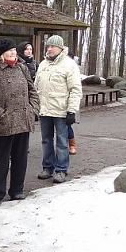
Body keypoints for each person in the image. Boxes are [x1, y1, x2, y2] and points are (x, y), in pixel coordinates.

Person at [0, 38, 39, 208]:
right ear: (0, 55)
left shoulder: (22, 68)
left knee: (20, 157)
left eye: (14, 50)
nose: (13, 53)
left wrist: (33, 109)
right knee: (1, 160)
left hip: (23, 119)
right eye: (9, 51)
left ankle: (17, 190)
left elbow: (32, 91)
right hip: (4, 121)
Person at [34, 35, 82, 183]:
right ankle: (48, 167)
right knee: (46, 140)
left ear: (61, 48)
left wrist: (72, 110)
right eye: (48, 46)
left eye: (53, 46)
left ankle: (61, 169)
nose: (49, 49)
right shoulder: (43, 64)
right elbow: (36, 87)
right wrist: (35, 106)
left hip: (62, 110)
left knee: (62, 141)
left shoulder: (69, 65)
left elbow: (75, 89)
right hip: (44, 110)